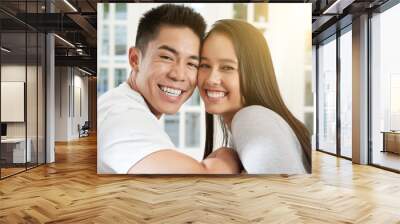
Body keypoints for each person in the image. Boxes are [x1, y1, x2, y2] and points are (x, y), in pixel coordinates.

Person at [98, 5, 240, 174]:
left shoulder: (122, 103)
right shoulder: (123, 116)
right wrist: (228, 154)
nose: (179, 75)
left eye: (192, 64)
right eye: (166, 57)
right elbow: (199, 182)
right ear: (135, 59)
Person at [197, 19, 312, 174]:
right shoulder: (251, 122)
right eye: (204, 65)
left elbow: (282, 195)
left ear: (255, 73)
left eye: (227, 67)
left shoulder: (252, 118)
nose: (211, 79)